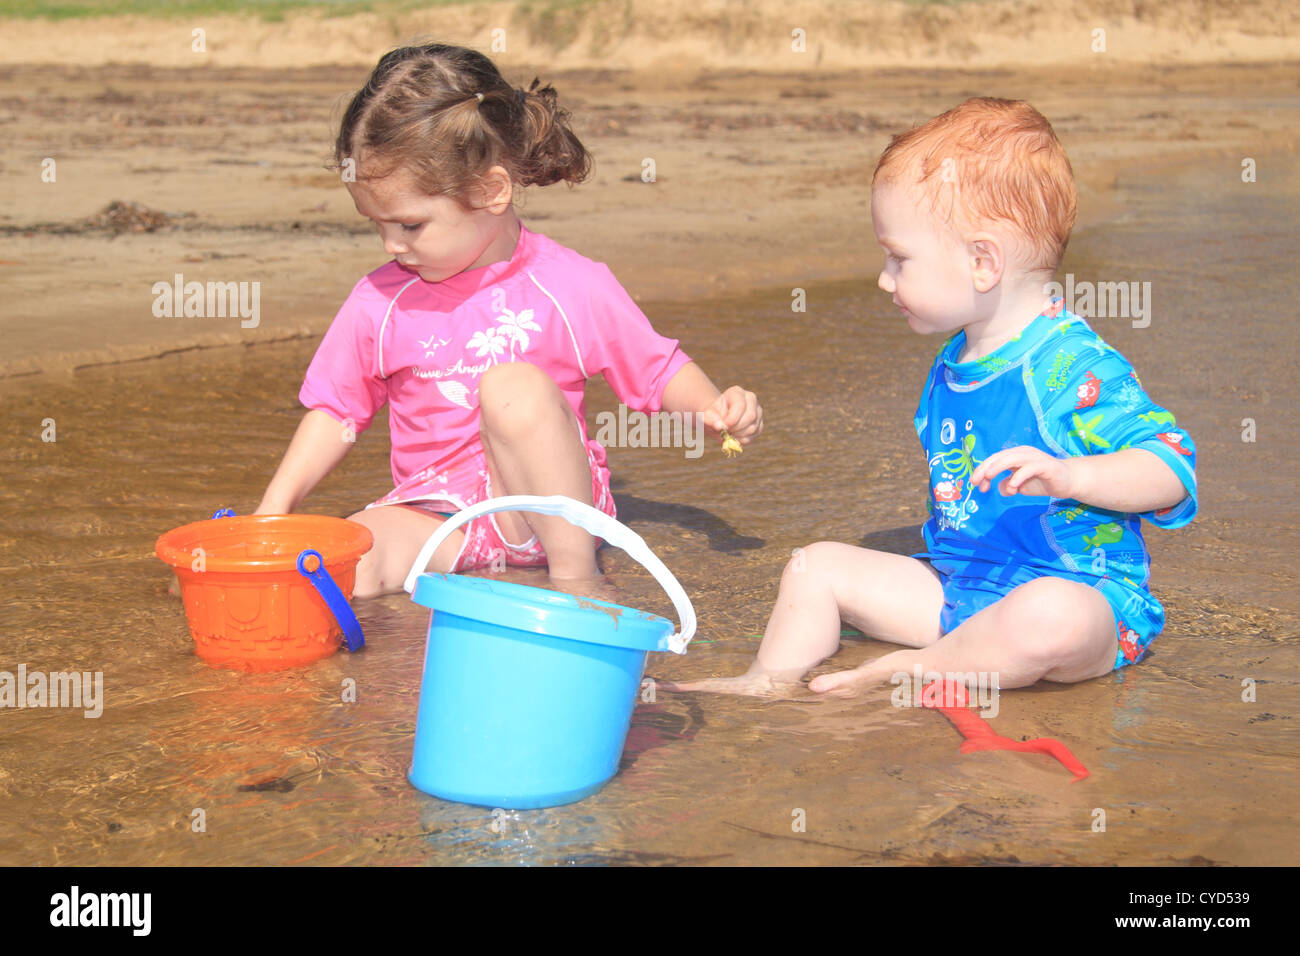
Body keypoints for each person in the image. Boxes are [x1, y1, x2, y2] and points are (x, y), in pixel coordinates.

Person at [665, 97, 1196, 698]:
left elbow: (1171, 467)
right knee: (815, 566)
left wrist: (1073, 475)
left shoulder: (1068, 365)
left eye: (899, 258)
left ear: (982, 261)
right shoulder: (955, 360)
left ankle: (910, 669)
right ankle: (767, 682)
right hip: (963, 589)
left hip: (1079, 599)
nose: (884, 278)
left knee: (1052, 615)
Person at [256, 44, 762, 596]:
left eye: (410, 225)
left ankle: (580, 584)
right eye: (375, 224)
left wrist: (714, 407)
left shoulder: (569, 283)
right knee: (340, 564)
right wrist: (271, 513)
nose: (390, 244)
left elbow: (656, 369)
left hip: (546, 514)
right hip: (436, 514)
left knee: (512, 385)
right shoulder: (380, 300)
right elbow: (336, 413)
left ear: (491, 191)